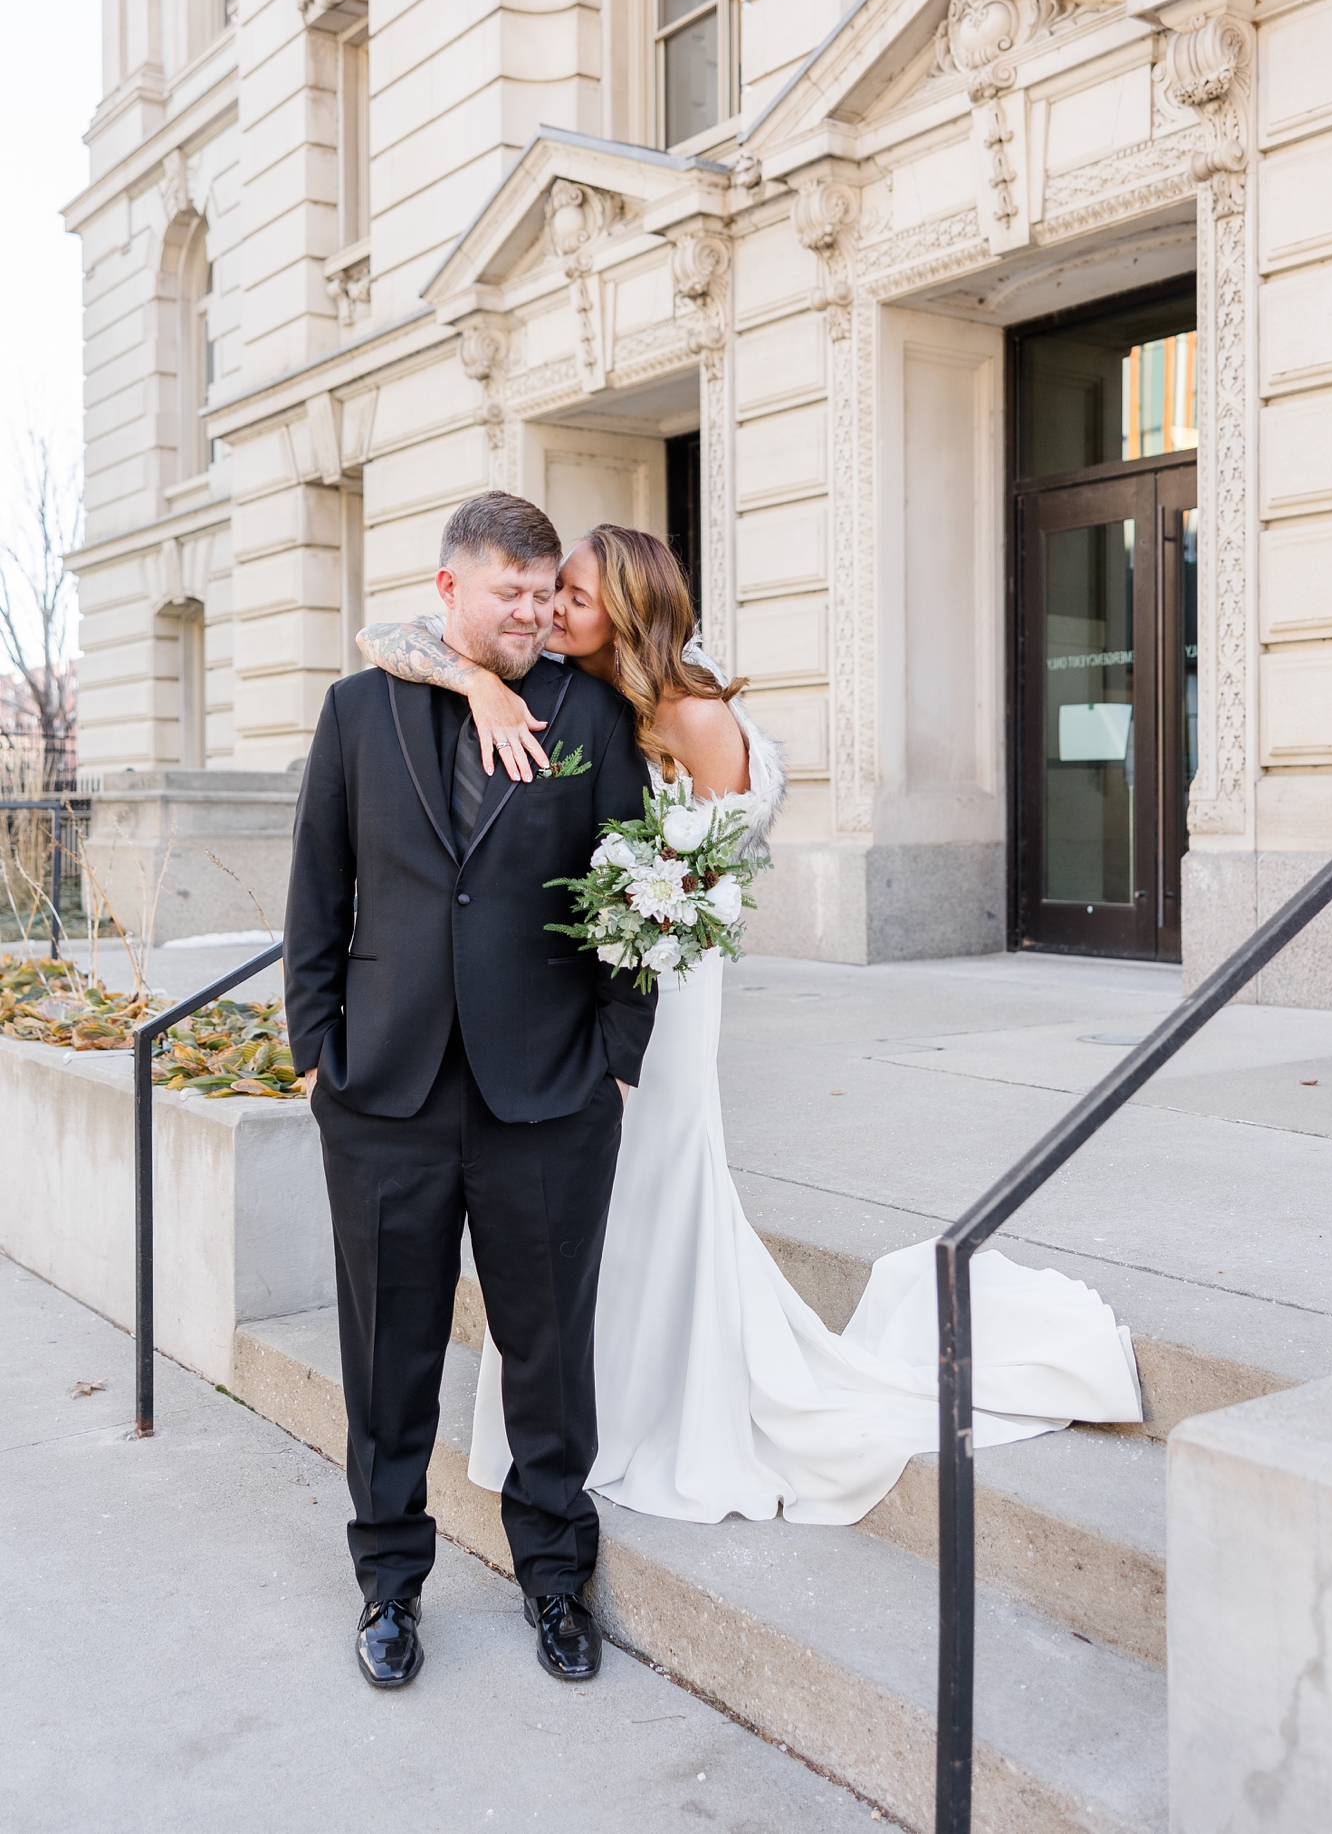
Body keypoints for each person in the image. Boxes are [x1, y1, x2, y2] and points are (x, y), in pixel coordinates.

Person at [359, 521, 1143, 1533]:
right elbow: (388, 635)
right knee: (582, 1201)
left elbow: (705, 878)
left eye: (576, 598)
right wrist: (476, 684)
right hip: (589, 977)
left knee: (648, 1177)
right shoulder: (556, 680)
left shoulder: (686, 714)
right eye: (550, 594)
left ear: (628, 613)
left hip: (665, 981)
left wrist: (638, 926)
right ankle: (593, 1407)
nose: (550, 611)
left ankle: (654, 1410)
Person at [283, 493, 657, 1693]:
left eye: (549, 594)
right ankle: (388, 1585)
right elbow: (317, 893)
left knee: (548, 1351)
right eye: (514, 594)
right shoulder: (355, 712)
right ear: (449, 589)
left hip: (547, 1095)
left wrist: (617, 1054)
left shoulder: (590, 710)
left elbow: (634, 896)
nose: (538, 614)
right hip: (381, 1092)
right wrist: (315, 1047)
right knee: (386, 1354)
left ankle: (556, 1580)